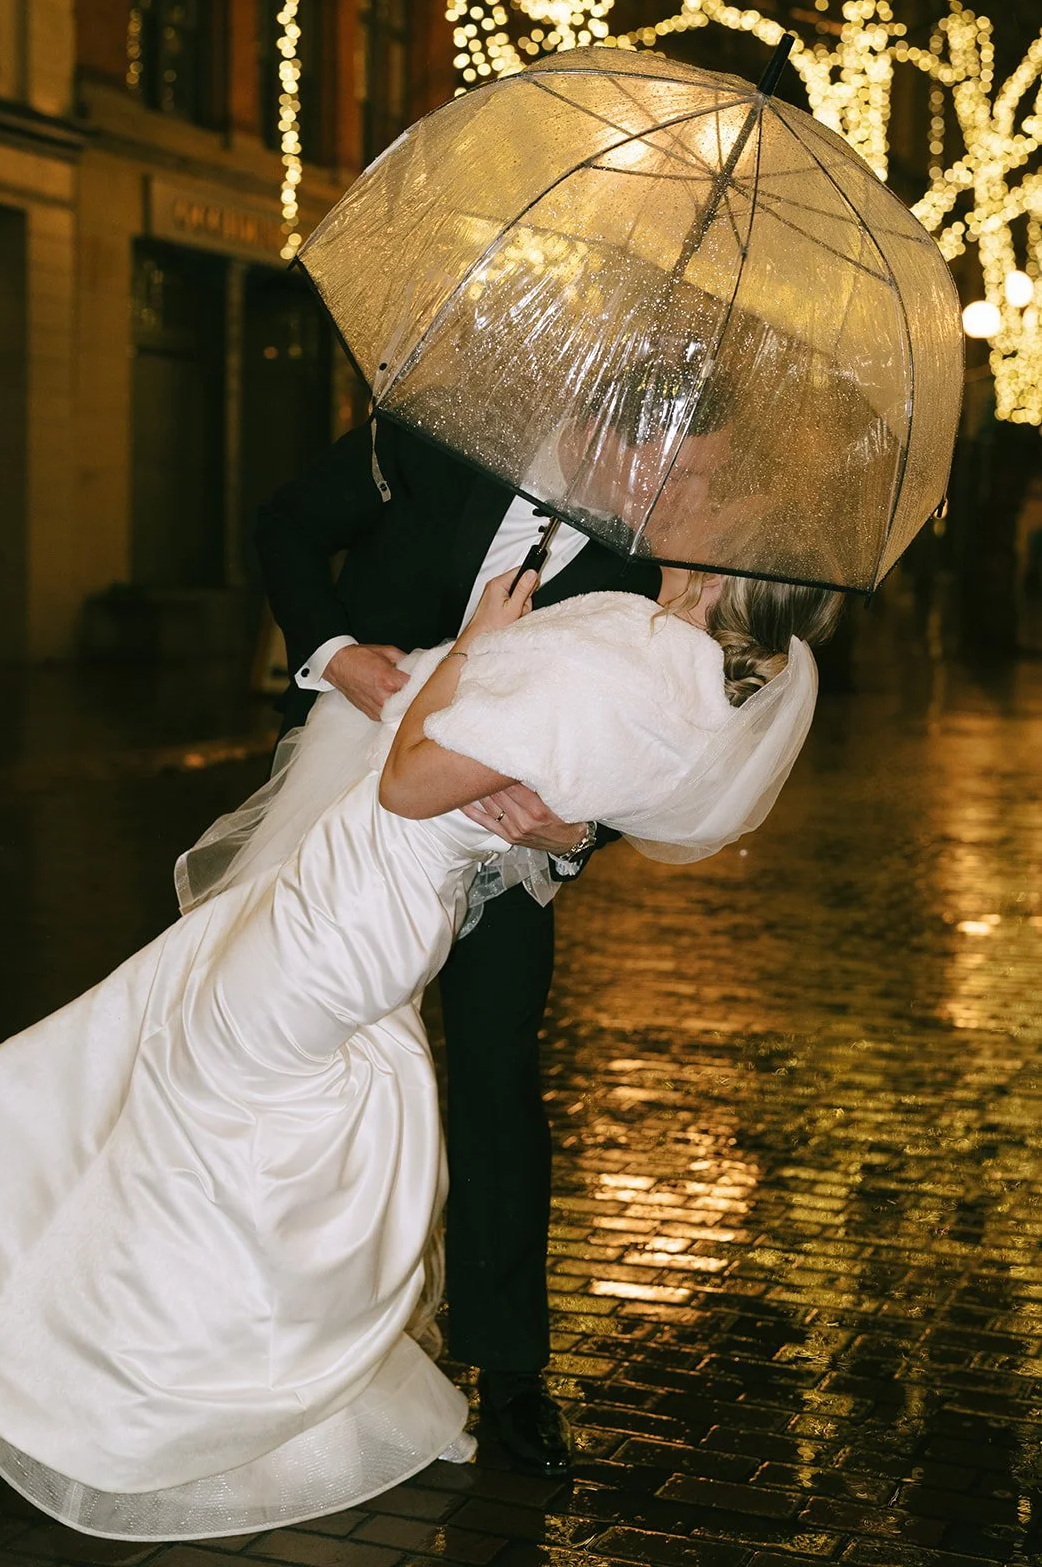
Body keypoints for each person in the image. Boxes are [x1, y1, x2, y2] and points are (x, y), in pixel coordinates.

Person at [0, 558, 840, 1543]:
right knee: (198, 1089)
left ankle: (126, 1368)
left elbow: (408, 783)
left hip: (349, 915)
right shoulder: (669, 674)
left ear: (726, 584)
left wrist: (475, 642)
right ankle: (141, 1336)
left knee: (206, 1097)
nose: (697, 521)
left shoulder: (627, 663)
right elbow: (541, 778)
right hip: (362, 901)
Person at [253, 380, 734, 1475]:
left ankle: (509, 1370)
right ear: (587, 412)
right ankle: (278, 1303)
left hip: (498, 847)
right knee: (294, 1041)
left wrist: (572, 828)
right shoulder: (434, 432)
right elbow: (285, 522)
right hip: (334, 784)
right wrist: (332, 648)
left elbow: (647, 723)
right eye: (639, 450)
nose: (651, 484)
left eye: (673, 461)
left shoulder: (653, 553)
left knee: (494, 1073)